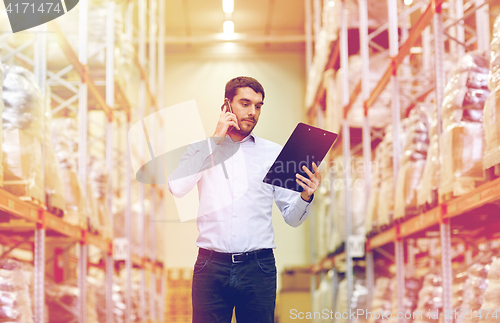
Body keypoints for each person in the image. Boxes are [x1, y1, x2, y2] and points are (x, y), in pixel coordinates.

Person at [168, 76, 322, 323]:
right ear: (226, 106)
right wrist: (215, 141)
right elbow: (177, 187)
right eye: (245, 103)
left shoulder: (274, 153)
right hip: (210, 267)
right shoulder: (200, 149)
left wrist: (306, 195)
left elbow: (292, 218)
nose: (253, 112)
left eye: (258, 106)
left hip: (258, 269)